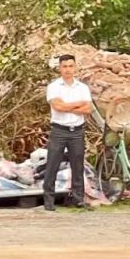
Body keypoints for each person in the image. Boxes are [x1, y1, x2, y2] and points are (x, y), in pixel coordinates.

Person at [43, 53, 92, 212]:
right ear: (60, 68)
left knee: (77, 165)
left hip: (77, 131)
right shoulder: (54, 87)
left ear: (75, 67)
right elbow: (58, 107)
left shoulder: (83, 88)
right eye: (64, 66)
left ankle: (78, 198)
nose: (68, 70)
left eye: (71, 66)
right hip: (59, 130)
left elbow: (87, 109)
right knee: (52, 164)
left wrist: (68, 106)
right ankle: (49, 199)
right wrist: (77, 104)